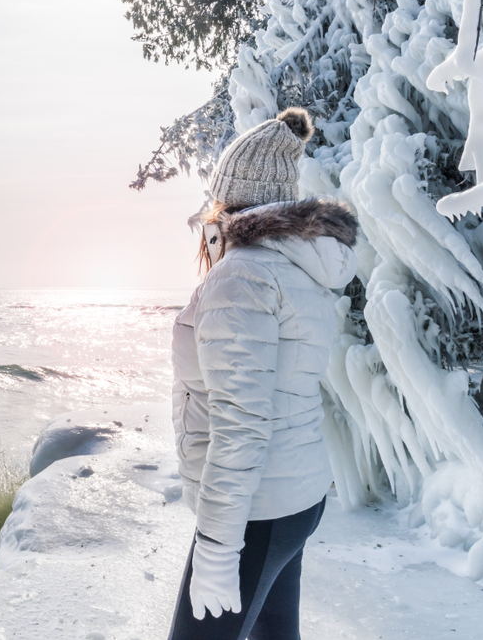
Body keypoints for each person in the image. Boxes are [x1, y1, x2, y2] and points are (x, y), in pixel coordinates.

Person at [169, 107, 358, 640]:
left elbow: (242, 422)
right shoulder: (295, 267)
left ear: (231, 200)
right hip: (295, 498)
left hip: (255, 513)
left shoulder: (242, 277)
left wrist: (217, 549)